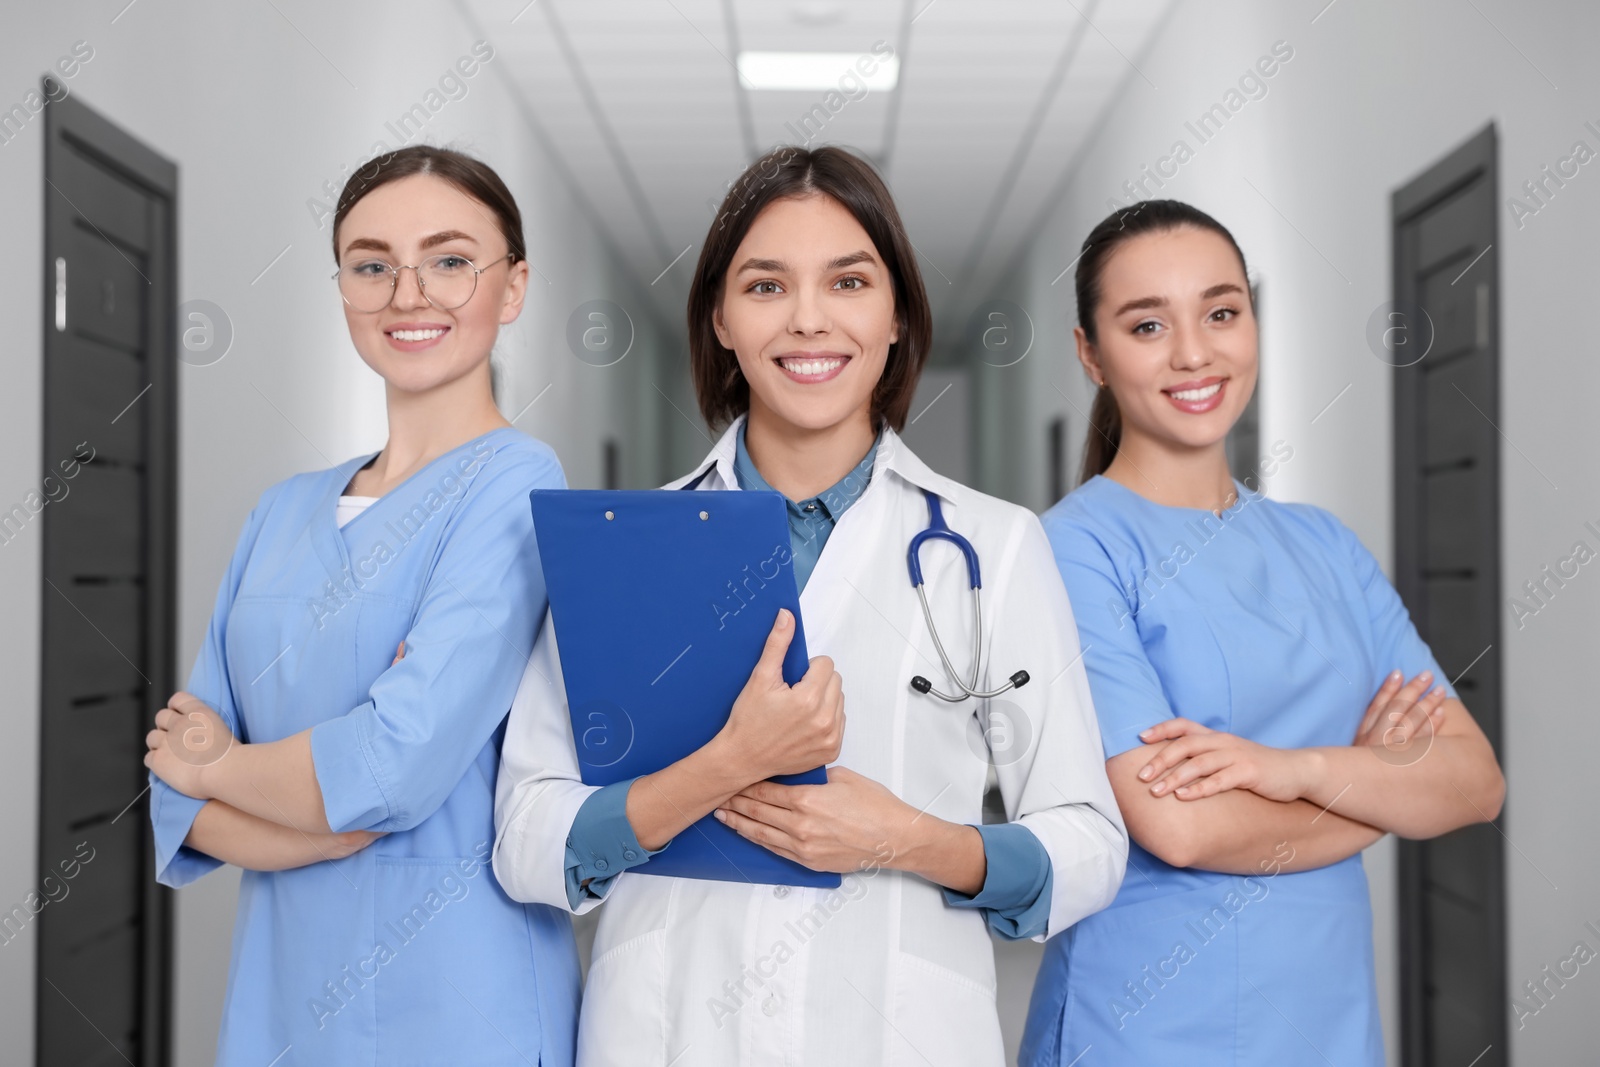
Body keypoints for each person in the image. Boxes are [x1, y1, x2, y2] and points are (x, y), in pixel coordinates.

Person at [492, 145, 1125, 1066]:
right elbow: (526, 836)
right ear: (719, 318)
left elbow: (1089, 844)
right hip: (670, 1032)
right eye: (765, 286)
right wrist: (725, 767)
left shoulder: (995, 546)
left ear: (899, 313)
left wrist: (910, 839)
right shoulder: (620, 543)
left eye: (849, 281)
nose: (809, 320)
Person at [1021, 199, 1507, 1065]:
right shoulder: (1071, 548)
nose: (1194, 353)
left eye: (1221, 311)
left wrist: (1292, 770)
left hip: (1327, 1011)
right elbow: (1181, 829)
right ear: (1090, 353)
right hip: (1149, 1015)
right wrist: (1376, 797)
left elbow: (1473, 781)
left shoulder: (1322, 543)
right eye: (1146, 325)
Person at [143, 145, 580, 1066]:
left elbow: (395, 766)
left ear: (512, 288)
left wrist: (226, 763)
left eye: (451, 261)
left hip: (459, 1004)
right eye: (372, 264)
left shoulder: (518, 485)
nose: (407, 294)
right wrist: (302, 808)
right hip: (280, 1005)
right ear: (342, 287)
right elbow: (172, 790)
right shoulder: (281, 510)